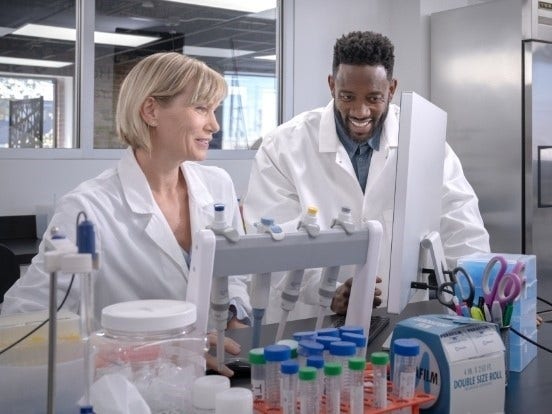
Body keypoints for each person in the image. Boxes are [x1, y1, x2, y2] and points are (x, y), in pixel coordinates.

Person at [2, 52, 250, 375]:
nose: (214, 125)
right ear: (151, 111)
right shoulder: (87, 210)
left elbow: (235, 274)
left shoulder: (218, 185)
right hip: (131, 385)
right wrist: (153, 349)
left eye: (214, 110)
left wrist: (232, 315)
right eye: (201, 108)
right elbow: (21, 324)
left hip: (216, 374)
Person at [242, 31, 490, 322]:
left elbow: (462, 227)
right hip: (310, 322)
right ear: (332, 85)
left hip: (401, 319)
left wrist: (482, 298)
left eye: (374, 98)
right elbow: (271, 244)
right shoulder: (283, 147)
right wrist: (327, 290)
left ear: (392, 89)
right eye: (347, 97)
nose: (360, 111)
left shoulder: (424, 142)